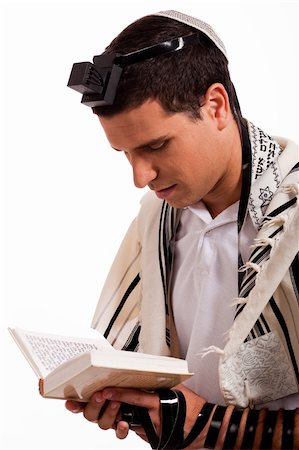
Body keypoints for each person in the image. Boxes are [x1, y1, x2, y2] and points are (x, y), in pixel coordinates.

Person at [65, 10, 299, 449]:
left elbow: (200, 422)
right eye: (125, 152)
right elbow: (178, 400)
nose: (140, 176)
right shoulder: (156, 224)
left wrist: (211, 427)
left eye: (156, 145)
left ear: (215, 106)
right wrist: (136, 406)